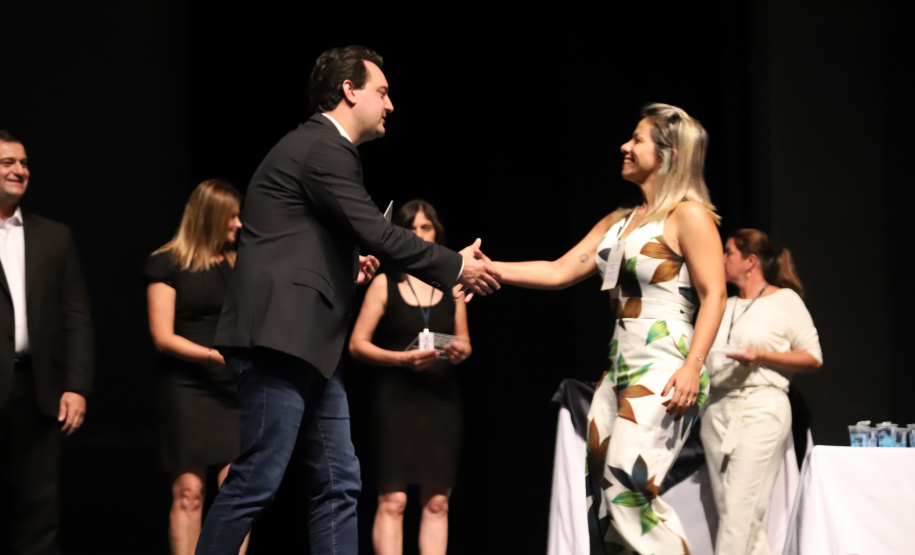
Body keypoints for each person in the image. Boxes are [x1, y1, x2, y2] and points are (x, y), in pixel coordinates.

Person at [195, 46, 500, 555]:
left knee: (339, 485)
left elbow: (301, 240)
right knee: (256, 480)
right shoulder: (324, 146)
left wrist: (344, 269)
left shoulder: (320, 150)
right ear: (349, 90)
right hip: (280, 340)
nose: (390, 105)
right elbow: (375, 230)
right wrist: (456, 264)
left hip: (312, 345)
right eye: (382, 92)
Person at [491, 104, 726, 554]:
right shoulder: (621, 221)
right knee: (601, 496)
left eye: (637, 139)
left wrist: (693, 367)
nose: (625, 146)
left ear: (669, 154)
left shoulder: (688, 216)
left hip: (666, 365)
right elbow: (560, 270)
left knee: (627, 482)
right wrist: (486, 268)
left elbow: (714, 294)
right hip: (620, 367)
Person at [349, 200, 472, 555]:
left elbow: (464, 341)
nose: (419, 235)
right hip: (395, 402)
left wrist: (461, 350)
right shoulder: (384, 284)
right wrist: (401, 360)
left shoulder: (453, 286)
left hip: (440, 400)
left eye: (426, 228)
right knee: (394, 501)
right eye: (412, 229)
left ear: (436, 234)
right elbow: (357, 345)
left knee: (437, 503)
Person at [0, 130, 94, 555]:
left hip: (38, 389)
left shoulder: (54, 236)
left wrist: (76, 386)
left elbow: (76, 316)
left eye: (23, 163)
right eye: (7, 163)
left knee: (40, 505)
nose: (19, 170)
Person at [700, 229, 822, 555]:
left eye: (728, 252)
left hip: (760, 407)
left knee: (739, 516)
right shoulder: (720, 303)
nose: (721, 259)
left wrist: (761, 356)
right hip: (717, 409)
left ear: (750, 261)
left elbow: (813, 357)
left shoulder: (784, 300)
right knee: (737, 518)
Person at [146, 179, 249, 555]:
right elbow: (162, 335)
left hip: (232, 389)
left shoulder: (239, 265)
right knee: (189, 492)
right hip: (187, 389)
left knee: (237, 493)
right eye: (231, 216)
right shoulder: (166, 262)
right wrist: (210, 355)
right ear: (209, 216)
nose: (239, 224)